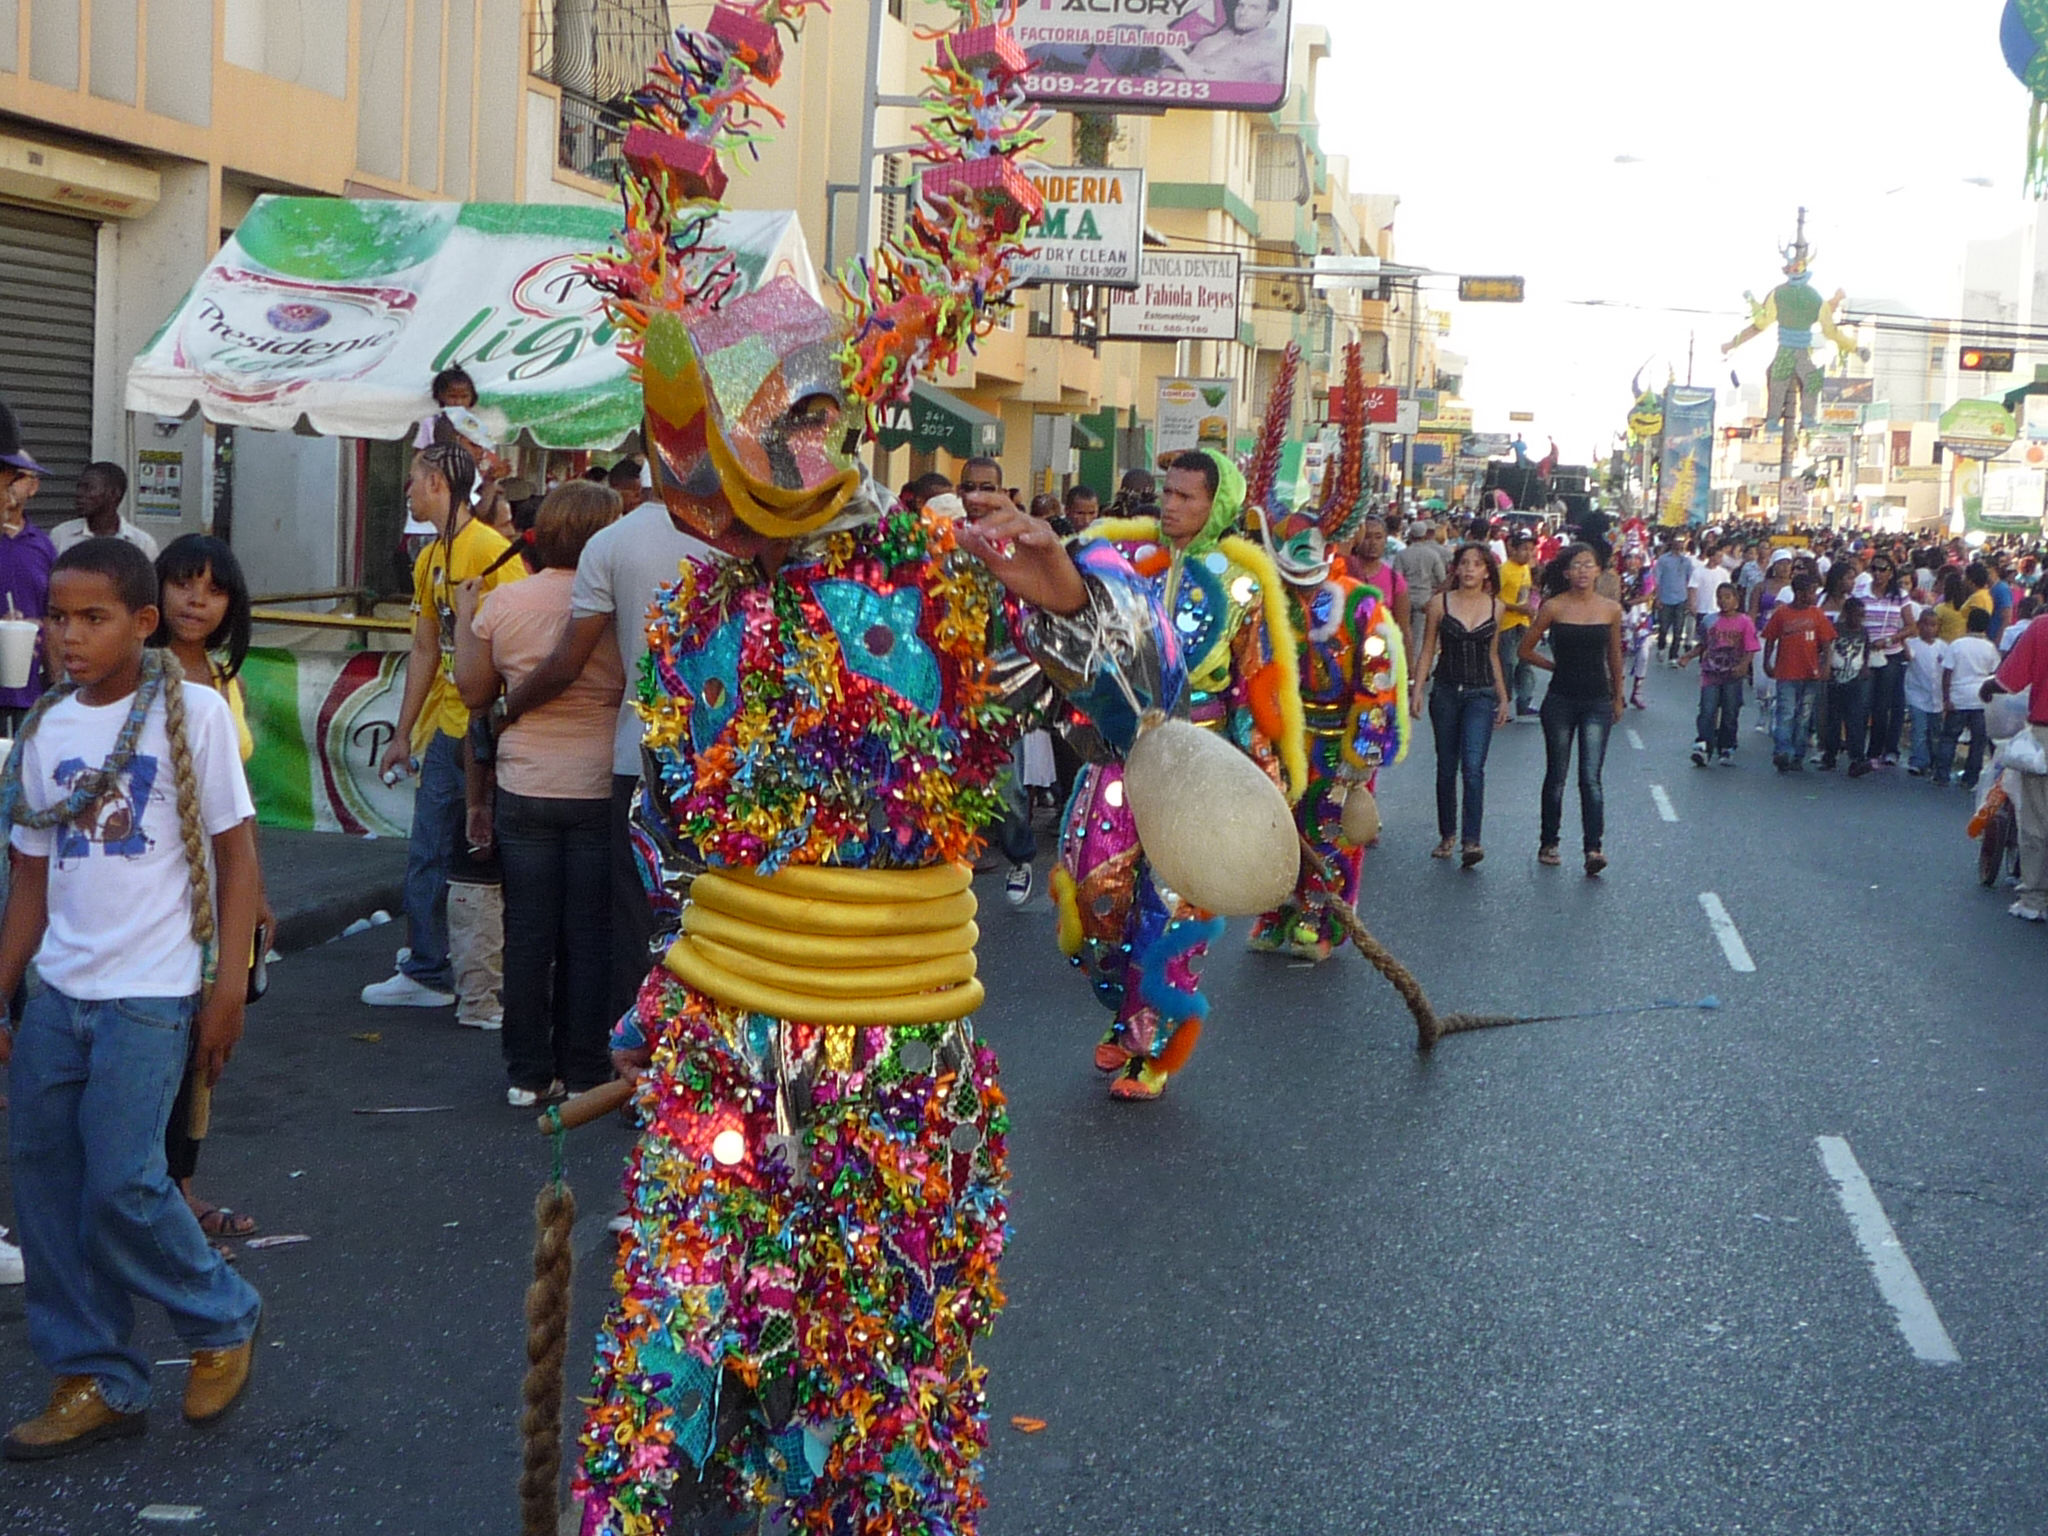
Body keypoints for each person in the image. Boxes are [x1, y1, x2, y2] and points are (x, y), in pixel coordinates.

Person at [569, 21, 1182, 1513]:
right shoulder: (698, 609)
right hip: (729, 1039)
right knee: (672, 1349)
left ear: (848, 424)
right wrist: (677, 973)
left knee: (892, 1380)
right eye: (737, 427)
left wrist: (1066, 599)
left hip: (904, 1066)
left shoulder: (946, 589)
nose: (767, 455)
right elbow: (669, 818)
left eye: (802, 418)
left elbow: (1132, 729)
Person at [0, 538, 261, 1458]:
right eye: (56, 617)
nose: (67, 636)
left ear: (142, 623)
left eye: (91, 617)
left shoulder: (192, 713)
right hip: (60, 992)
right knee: (45, 1186)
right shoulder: (43, 733)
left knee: (123, 1180)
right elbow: (30, 882)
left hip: (152, 992)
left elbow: (236, 856)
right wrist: (2, 992)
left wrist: (227, 986)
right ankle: (96, 1376)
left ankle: (222, 1314)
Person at [1073, 448, 1304, 1099]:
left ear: (1216, 505)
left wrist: (1265, 775)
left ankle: (1153, 1047)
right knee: (1096, 887)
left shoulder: (1243, 583)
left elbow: (1255, 685)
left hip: (1200, 765)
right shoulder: (1126, 563)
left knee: (1175, 909)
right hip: (1122, 751)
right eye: (1167, 493)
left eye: (1185, 497)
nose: (1169, 505)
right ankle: (1125, 1008)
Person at [454, 481, 625, 1107]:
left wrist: (464, 619)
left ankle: (527, 1071)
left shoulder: (506, 602)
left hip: (524, 780)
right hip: (598, 780)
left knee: (526, 930)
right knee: (588, 933)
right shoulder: (617, 603)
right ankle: (584, 1067)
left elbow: (474, 694)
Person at [360, 442, 524, 1010]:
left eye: (412, 480)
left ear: (436, 484)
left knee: (485, 854)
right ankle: (428, 966)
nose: (406, 491)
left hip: (489, 733)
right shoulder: (429, 560)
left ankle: (485, 975)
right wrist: (403, 733)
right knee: (429, 850)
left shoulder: (493, 551)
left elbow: (518, 642)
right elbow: (425, 650)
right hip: (446, 734)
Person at [147, 535, 274, 1251]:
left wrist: (254, 893)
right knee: (165, 1036)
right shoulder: (139, 672)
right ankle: (163, 1194)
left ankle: (179, 1185)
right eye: (183, 584)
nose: (197, 600)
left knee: (209, 1045)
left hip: (225, 878)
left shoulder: (225, 679)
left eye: (214, 589)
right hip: (160, 881)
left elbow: (239, 805)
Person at [1248, 494, 1403, 956]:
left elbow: (1379, 681)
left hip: (1339, 736)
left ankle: (1323, 914)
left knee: (1329, 826)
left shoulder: (1358, 605)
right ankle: (1276, 908)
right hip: (1281, 735)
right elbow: (1250, 672)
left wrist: (1362, 752)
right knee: (1276, 827)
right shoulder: (1263, 602)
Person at [961, 456, 1042, 903]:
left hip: (1000, 683)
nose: (976, 497)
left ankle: (1021, 857)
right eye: (968, 486)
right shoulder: (945, 540)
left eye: (986, 487)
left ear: (1003, 491)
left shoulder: (1024, 543)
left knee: (1001, 780)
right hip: (945, 680)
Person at [1520, 545, 1625, 874]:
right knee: (1557, 776)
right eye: (1576, 566)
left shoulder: (1610, 610)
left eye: (1588, 565)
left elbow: (1615, 656)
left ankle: (1593, 848)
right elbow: (1525, 649)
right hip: (1560, 700)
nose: (1582, 571)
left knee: (1590, 778)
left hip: (1596, 700)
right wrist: (1553, 667)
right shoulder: (1553, 607)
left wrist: (1618, 695)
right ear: (1566, 572)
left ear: (1598, 571)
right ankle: (1549, 842)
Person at [1411, 543, 1509, 866]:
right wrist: (1417, 689)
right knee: (1446, 766)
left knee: (1473, 767)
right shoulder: (1439, 604)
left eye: (1477, 564)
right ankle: (1447, 834)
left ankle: (1471, 840)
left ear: (1486, 572)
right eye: (1464, 563)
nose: (1469, 569)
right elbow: (1428, 649)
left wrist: (1503, 696)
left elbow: (1493, 654)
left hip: (1480, 693)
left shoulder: (1496, 607)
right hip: (1447, 691)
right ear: (1456, 569)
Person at [1981, 602, 2048, 922]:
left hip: (2044, 736)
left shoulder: (2041, 627)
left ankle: (2035, 898)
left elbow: (2010, 681)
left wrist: (1988, 686)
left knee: (2036, 820)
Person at [0, 431, 55, 731]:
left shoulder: (43, 547)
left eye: (15, 483)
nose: (9, 497)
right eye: (8, 483)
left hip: (27, 689)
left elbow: (53, 613)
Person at [1679, 579, 1759, 766]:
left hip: (1733, 674)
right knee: (1707, 710)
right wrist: (1688, 657)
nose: (1723, 601)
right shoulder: (1710, 620)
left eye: (1727, 597)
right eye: (1720, 597)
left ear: (1736, 600)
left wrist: (1744, 666)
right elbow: (1703, 644)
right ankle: (1704, 745)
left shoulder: (1745, 622)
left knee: (1730, 712)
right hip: (1711, 673)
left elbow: (1751, 648)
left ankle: (1727, 746)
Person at [1761, 572, 1833, 772]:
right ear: (1800, 593)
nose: (1814, 596)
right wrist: (1767, 662)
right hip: (1786, 673)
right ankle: (1782, 751)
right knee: (1786, 713)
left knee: (1803, 716)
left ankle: (1797, 754)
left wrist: (1826, 666)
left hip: (1811, 674)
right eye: (1811, 592)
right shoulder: (1782, 613)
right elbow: (1770, 639)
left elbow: (1827, 642)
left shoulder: (1817, 614)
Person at [1937, 608, 2000, 791]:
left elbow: (1947, 672)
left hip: (1958, 698)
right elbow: (1994, 674)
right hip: (1981, 700)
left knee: (1949, 737)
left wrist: (1946, 698)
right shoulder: (1990, 647)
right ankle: (1970, 779)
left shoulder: (1957, 645)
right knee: (1978, 741)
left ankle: (1941, 775)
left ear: (1968, 623)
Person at [49, 463, 158, 559]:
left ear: (114, 493)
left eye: (88, 488)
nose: (79, 494)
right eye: (79, 487)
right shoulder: (61, 535)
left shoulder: (141, 543)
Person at [1819, 596, 1873, 776]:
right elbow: (1828, 649)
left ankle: (1857, 758)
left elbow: (1866, 650)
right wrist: (1826, 669)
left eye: (1862, 615)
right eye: (1856, 615)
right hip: (1836, 679)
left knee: (1855, 720)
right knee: (1833, 720)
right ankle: (1830, 755)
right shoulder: (1836, 630)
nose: (1859, 619)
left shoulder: (1864, 632)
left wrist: (1865, 666)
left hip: (1856, 680)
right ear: (1846, 614)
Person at [1343, 514, 1409, 654]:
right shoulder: (1343, 572)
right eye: (1367, 536)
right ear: (1357, 539)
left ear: (1386, 540)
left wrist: (1409, 670)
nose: (1372, 543)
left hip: (1380, 656)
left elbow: (1403, 628)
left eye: (1378, 537)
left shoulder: (1395, 580)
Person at [1391, 517, 1449, 663]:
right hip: (1424, 600)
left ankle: (1401, 663)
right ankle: (1415, 669)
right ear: (1425, 535)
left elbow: (1396, 579)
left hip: (1404, 598)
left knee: (1401, 633)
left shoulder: (1402, 554)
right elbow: (1442, 579)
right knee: (1418, 638)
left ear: (1410, 535)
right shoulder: (1433, 555)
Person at [1496, 527, 1539, 715]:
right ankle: (1503, 702)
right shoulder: (1504, 570)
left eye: (1531, 549)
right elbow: (1495, 599)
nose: (1528, 553)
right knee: (1507, 664)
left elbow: (1526, 593)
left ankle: (1525, 701)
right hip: (1507, 624)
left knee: (1525, 663)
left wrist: (1530, 609)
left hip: (1524, 623)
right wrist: (1516, 608)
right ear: (1512, 549)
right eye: (1524, 549)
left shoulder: (1525, 569)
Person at [1652, 536, 1693, 660]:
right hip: (1665, 598)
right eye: (1678, 542)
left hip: (1681, 598)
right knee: (1664, 628)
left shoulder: (1686, 561)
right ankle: (1661, 646)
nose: (1680, 545)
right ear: (1672, 543)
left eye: (1682, 542)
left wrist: (1689, 600)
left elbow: (1690, 581)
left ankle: (1673, 656)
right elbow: (1657, 580)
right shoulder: (1663, 560)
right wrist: (1657, 598)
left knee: (1678, 629)